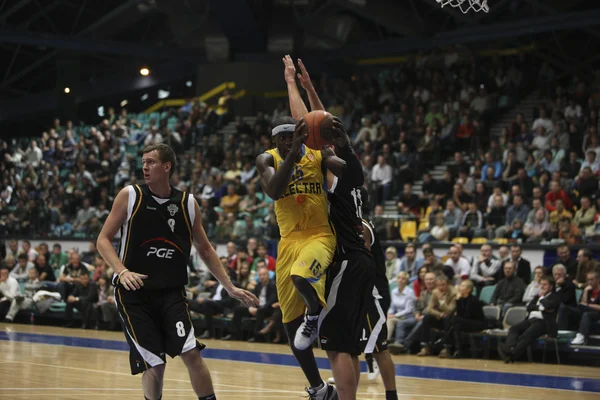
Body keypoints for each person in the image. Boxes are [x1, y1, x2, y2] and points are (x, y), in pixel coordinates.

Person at [97, 143, 258, 400]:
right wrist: (122, 270)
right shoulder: (130, 195)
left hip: (171, 293)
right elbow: (103, 239)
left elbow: (204, 248)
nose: (145, 166)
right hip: (134, 295)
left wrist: (230, 287)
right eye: (143, 161)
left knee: (191, 352)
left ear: (167, 166)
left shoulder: (188, 203)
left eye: (151, 161)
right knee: (156, 364)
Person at [286, 56, 376, 400]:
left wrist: (292, 84)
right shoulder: (350, 175)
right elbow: (323, 127)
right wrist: (309, 88)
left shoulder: (333, 173)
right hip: (362, 262)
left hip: (347, 261)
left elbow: (307, 127)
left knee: (336, 347)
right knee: (349, 348)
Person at [254, 55, 345, 400]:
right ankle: (318, 388)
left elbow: (335, 150)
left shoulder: (317, 155)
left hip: (320, 235)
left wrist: (340, 151)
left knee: (301, 277)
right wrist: (291, 153)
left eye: (297, 136)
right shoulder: (268, 159)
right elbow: (274, 191)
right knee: (291, 326)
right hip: (289, 240)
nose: (292, 141)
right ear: (276, 141)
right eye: (286, 139)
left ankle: (316, 311)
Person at [498, 276, 560, 363]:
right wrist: (540, 307)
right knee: (514, 329)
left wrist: (542, 298)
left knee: (527, 334)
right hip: (531, 320)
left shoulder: (555, 296)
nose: (542, 287)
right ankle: (509, 349)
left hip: (544, 323)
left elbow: (548, 305)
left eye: (545, 285)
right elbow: (529, 307)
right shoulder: (536, 297)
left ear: (551, 286)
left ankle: (512, 354)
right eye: (541, 284)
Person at [440, 279, 485, 358]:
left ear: (469, 289)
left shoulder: (473, 300)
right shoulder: (461, 299)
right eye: (460, 285)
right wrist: (458, 300)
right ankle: (458, 351)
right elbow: (461, 315)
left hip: (477, 323)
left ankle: (445, 342)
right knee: (456, 325)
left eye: (462, 286)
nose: (460, 287)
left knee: (454, 319)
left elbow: (467, 315)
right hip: (466, 322)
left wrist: (458, 301)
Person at [570, 271, 600, 345]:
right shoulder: (588, 290)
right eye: (588, 280)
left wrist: (588, 305)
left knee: (587, 314)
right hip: (585, 311)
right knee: (564, 308)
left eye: (592, 280)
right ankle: (563, 333)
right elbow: (582, 303)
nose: (589, 282)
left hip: (597, 314)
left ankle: (581, 336)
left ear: (598, 280)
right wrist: (586, 291)